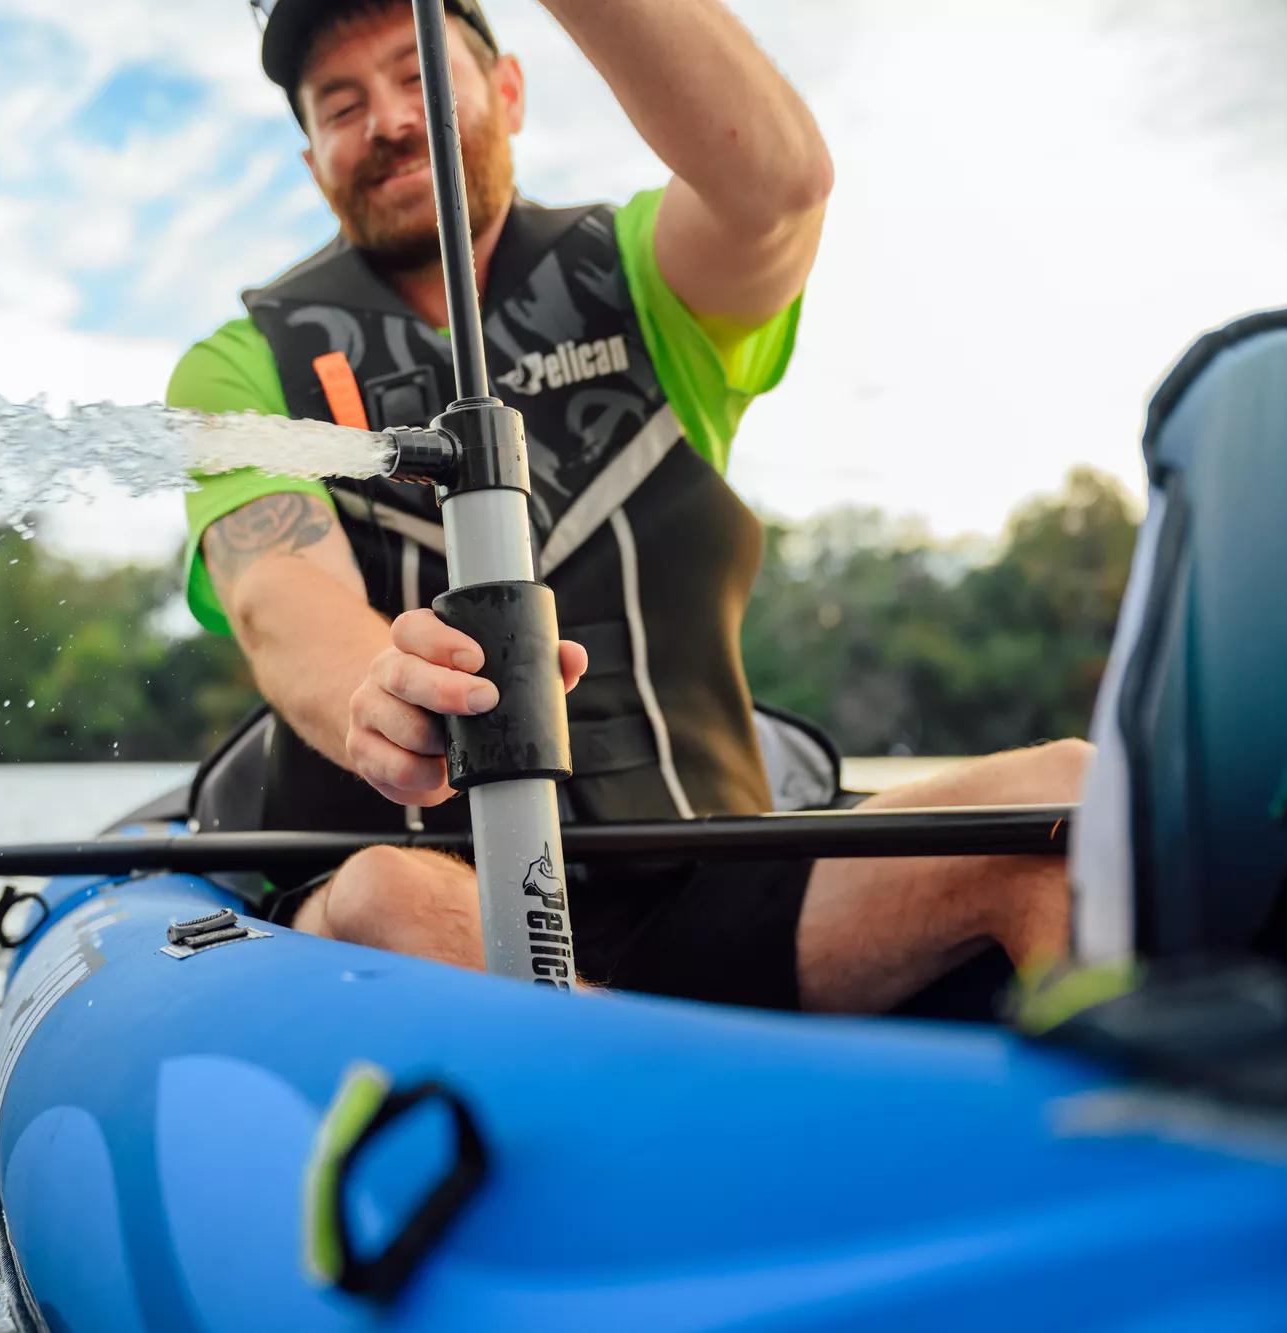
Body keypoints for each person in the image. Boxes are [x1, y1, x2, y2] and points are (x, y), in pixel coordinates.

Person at [169, 0, 1089, 1012]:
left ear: (509, 92)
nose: (388, 118)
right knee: (389, 892)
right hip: (426, 897)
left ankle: (1130, 1119)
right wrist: (377, 692)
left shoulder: (648, 277)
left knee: (1063, 787)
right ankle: (653, 1117)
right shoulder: (236, 365)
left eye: (415, 74)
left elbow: (775, 189)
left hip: (712, 883)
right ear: (311, 163)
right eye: (340, 106)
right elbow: (277, 594)